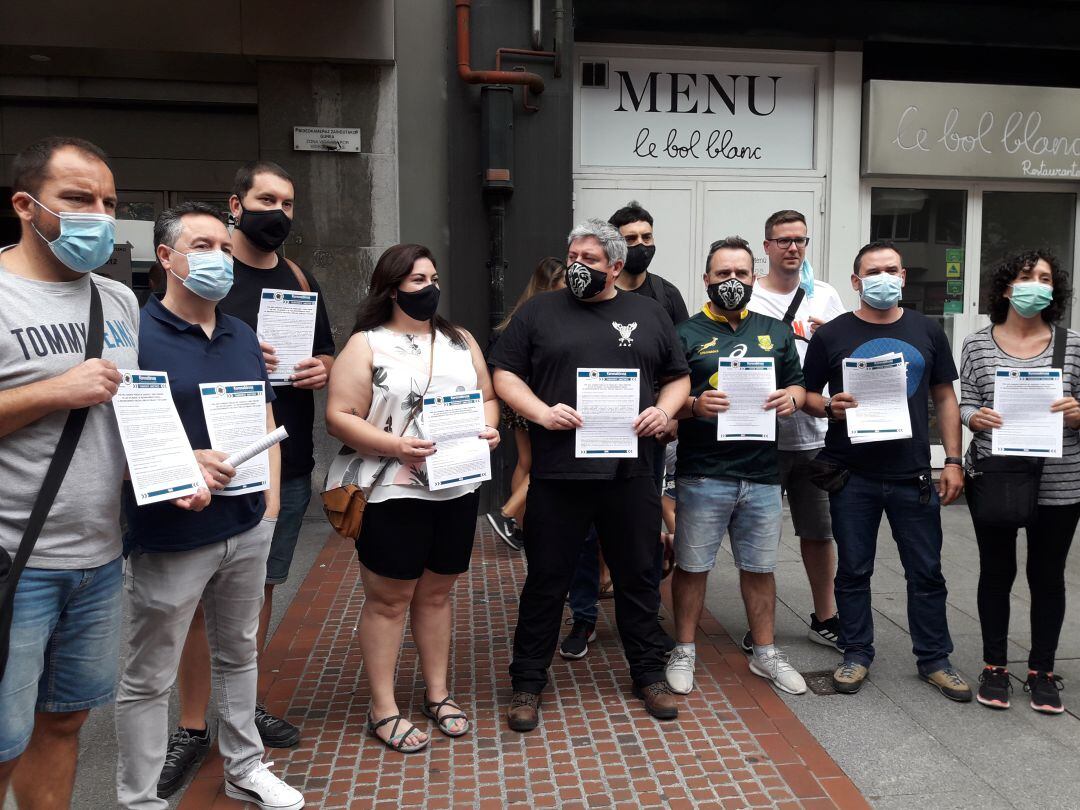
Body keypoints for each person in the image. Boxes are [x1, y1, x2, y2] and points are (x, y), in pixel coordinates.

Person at [114, 202, 304, 810]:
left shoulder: (242, 334)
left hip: (245, 524)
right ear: (166, 258)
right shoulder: (133, 336)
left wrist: (270, 506)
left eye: (224, 247)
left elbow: (264, 416)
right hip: (171, 536)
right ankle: (140, 798)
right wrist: (184, 459)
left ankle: (245, 766)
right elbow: (120, 432)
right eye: (204, 246)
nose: (220, 258)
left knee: (240, 653)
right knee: (149, 678)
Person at [157, 161, 335, 795]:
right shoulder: (210, 276)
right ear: (237, 205)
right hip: (199, 467)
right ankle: (191, 724)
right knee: (195, 604)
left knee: (255, 593)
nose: (278, 213)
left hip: (275, 461)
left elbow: (326, 350)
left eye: (288, 203)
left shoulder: (297, 277)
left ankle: (242, 706)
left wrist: (320, 369)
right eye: (267, 199)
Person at [489, 219, 691, 730]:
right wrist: (538, 412)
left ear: (616, 267)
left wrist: (665, 412)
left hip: (631, 473)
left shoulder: (648, 313)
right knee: (546, 580)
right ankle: (527, 683)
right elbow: (505, 373)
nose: (578, 266)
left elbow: (678, 377)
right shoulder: (539, 312)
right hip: (559, 475)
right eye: (573, 256)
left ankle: (648, 673)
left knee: (638, 577)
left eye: (590, 260)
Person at [0, 137, 142, 808]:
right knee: (1, 738)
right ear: (27, 206)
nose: (99, 216)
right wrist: (52, 391)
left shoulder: (117, 301)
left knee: (65, 720)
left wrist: (176, 465)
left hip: (99, 558)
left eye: (109, 202)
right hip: (13, 560)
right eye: (79, 200)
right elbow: (74, 397)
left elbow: (126, 413)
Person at [324, 244, 500, 753]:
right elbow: (340, 415)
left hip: (457, 485)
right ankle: (384, 707)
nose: (430, 288)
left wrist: (488, 429)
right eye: (417, 280)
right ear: (391, 287)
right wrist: (395, 445)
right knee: (389, 599)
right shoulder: (367, 345)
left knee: (438, 593)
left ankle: (438, 693)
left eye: (433, 278)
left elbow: (487, 397)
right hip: (392, 492)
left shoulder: (459, 340)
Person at [801, 240, 971, 701]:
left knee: (927, 571)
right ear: (856, 282)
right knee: (854, 571)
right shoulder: (831, 334)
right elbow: (806, 393)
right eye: (872, 271)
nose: (883, 277)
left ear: (903, 277)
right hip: (851, 475)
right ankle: (856, 653)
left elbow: (944, 398)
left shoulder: (927, 330)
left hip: (913, 475)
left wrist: (953, 460)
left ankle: (935, 659)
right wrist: (828, 407)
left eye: (891, 269)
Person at [664, 237, 808, 697]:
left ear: (753, 278)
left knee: (760, 568)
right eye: (722, 274)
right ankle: (684, 648)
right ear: (706, 279)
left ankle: (765, 653)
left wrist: (792, 398)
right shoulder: (682, 334)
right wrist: (693, 405)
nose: (732, 282)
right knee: (691, 566)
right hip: (703, 471)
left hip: (763, 474)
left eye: (741, 274)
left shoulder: (776, 331)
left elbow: (799, 388)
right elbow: (663, 401)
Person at [560, 200, 689, 660]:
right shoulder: (567, 301)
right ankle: (584, 615)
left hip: (643, 439)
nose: (640, 246)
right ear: (615, 247)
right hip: (581, 436)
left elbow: (679, 365)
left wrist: (670, 413)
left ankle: (644, 617)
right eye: (631, 238)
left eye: (646, 238)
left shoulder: (665, 296)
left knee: (640, 535)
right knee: (584, 538)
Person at [960, 250, 1080, 714]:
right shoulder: (976, 344)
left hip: (1061, 479)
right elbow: (965, 401)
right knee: (996, 571)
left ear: (1055, 291)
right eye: (1028, 277)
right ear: (1007, 287)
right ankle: (994, 666)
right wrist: (976, 418)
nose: (1036, 285)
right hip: (996, 475)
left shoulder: (1073, 345)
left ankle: (1042, 670)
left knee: (1047, 576)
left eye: (1045, 279)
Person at [743, 210, 846, 653]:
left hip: (815, 437)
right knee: (758, 534)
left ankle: (826, 616)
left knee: (819, 532)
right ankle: (759, 622)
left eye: (800, 240)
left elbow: (849, 357)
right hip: (761, 436)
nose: (792, 247)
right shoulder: (747, 297)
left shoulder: (825, 296)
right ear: (766, 246)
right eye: (783, 240)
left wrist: (832, 339)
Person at [485, 257, 566, 551]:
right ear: (550, 284)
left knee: (526, 461)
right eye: (563, 284)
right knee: (542, 462)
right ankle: (508, 515)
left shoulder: (519, 314)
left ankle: (519, 523)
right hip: (535, 399)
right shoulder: (544, 314)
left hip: (518, 400)